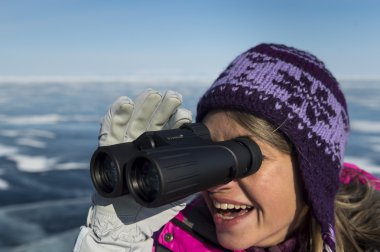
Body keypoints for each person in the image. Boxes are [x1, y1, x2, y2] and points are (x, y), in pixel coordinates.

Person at [73, 43, 380, 252]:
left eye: (243, 157)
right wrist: (115, 242)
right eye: (208, 150)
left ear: (311, 174)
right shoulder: (172, 237)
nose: (217, 182)